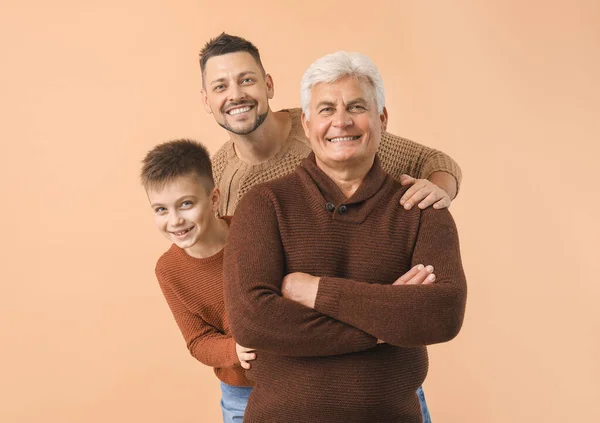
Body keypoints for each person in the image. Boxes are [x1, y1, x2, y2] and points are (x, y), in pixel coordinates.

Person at [199, 32, 463, 421]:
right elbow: (252, 319)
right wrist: (386, 323)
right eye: (220, 86)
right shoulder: (247, 192)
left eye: (357, 107)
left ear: (382, 118)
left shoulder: (418, 204)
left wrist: (315, 291)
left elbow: (441, 314)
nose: (341, 120)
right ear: (310, 123)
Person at [140, 139, 256, 423]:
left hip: (293, 373)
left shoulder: (252, 232)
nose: (175, 220)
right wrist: (234, 350)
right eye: (161, 210)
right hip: (239, 392)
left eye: (186, 204)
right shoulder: (168, 270)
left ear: (214, 199)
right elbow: (198, 341)